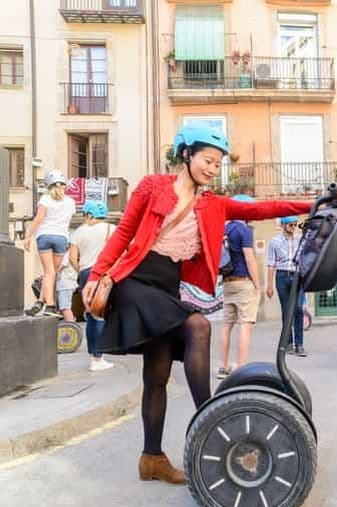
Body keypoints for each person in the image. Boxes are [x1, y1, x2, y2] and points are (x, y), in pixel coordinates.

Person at [81, 125, 311, 485]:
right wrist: (97, 275)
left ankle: (151, 458)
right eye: (207, 160)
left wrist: (312, 204)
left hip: (167, 292)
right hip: (134, 283)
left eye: (218, 164)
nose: (212, 169)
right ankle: (211, 423)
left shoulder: (212, 204)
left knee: (156, 375)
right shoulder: (151, 186)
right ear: (186, 155)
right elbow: (124, 232)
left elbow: (263, 209)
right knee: (198, 326)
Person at [217, 194, 261, 379]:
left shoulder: (224, 229)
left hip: (227, 283)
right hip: (243, 282)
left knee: (227, 325)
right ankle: (241, 368)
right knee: (245, 324)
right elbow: (249, 258)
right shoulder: (244, 230)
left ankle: (224, 366)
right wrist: (257, 285)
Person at [70, 200, 116, 371]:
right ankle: (98, 358)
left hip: (85, 274)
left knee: (91, 314)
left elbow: (72, 258)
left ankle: (94, 356)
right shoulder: (111, 229)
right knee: (101, 313)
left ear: (88, 215)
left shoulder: (79, 232)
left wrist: (81, 270)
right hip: (104, 274)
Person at [24, 169, 76, 317]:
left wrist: (28, 236)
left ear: (48, 185)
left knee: (48, 273)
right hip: (61, 238)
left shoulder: (45, 199)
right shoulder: (71, 202)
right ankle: (41, 301)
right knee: (52, 273)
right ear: (64, 185)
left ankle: (50, 305)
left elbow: (38, 219)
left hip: (45, 236)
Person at [266, 216, 307, 357]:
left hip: (297, 275)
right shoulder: (274, 242)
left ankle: (299, 345)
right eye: (290, 224)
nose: (293, 227)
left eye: (295, 224)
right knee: (286, 311)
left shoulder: (301, 240)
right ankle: (288, 343)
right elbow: (271, 264)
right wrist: (269, 285)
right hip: (282, 276)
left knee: (298, 309)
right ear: (283, 225)